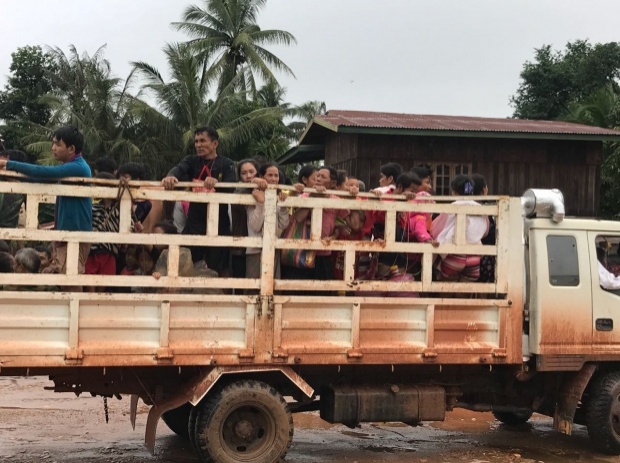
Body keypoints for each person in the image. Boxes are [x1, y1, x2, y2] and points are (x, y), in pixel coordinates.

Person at [0, 126, 92, 277]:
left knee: (70, 279)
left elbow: (44, 172)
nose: (53, 148)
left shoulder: (79, 167)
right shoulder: (71, 166)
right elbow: (40, 176)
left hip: (74, 232)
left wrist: (8, 164)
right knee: (64, 276)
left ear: (71, 148)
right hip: (66, 232)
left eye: (58, 144)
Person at [162, 126, 236, 275]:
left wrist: (217, 183)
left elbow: (231, 186)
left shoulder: (226, 163)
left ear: (215, 144)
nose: (198, 145)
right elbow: (179, 169)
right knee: (187, 264)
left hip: (218, 223)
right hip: (194, 222)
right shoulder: (191, 160)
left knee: (218, 267)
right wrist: (170, 176)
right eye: (196, 141)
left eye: (202, 141)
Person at [431, 175, 489, 282]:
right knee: (465, 292)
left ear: (454, 192)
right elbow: (485, 231)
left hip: (453, 256)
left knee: (446, 287)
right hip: (474, 256)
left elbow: (435, 229)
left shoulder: (451, 207)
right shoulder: (481, 209)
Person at [246, 163, 289, 280]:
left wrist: (284, 206)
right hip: (255, 250)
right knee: (253, 288)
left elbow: (283, 224)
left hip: (273, 248)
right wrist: (260, 203)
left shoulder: (277, 196)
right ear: (261, 176)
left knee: (272, 287)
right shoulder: (253, 194)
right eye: (270, 175)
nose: (274, 179)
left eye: (276, 175)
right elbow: (255, 226)